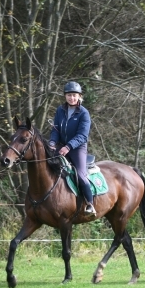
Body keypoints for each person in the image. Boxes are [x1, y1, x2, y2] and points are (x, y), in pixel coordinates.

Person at [49, 81, 96, 215]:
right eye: (69, 95)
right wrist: (52, 142)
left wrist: (68, 147)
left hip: (77, 148)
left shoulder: (84, 113)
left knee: (81, 175)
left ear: (79, 96)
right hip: (60, 146)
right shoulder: (60, 110)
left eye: (74, 95)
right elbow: (56, 130)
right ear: (65, 96)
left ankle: (90, 204)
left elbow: (82, 135)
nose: (72, 98)